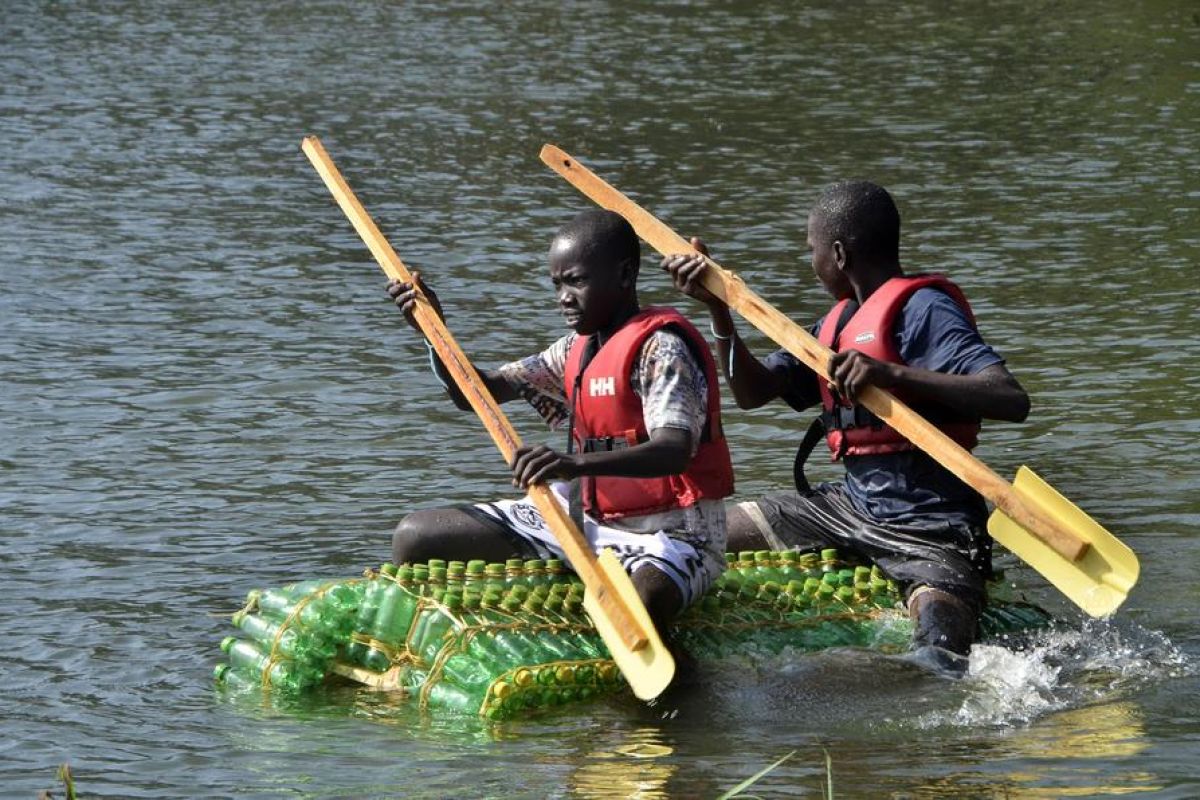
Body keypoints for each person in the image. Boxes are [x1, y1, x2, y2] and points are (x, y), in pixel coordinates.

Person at [661, 180, 1030, 670]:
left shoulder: (925, 310)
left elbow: (1010, 398)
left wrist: (890, 374)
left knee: (938, 649)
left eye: (811, 250)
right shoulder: (833, 326)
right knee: (700, 528)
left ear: (837, 252)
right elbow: (752, 394)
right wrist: (718, 312)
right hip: (846, 508)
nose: (810, 262)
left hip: (930, 524)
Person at [387, 209, 734, 633]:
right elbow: (473, 392)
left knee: (639, 609)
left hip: (674, 536)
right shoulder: (574, 349)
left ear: (625, 275)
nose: (563, 297)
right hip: (584, 523)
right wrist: (433, 333)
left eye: (577, 281)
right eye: (557, 284)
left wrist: (573, 465)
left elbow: (673, 451)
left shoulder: (662, 348)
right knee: (415, 536)